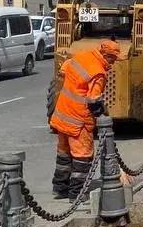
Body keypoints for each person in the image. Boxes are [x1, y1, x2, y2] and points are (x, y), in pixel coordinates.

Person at [49, 40, 121, 198]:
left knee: (64, 153)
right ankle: (76, 193)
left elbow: (63, 70)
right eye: (113, 59)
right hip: (78, 121)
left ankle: (60, 188)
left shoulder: (81, 57)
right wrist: (102, 115)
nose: (114, 63)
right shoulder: (98, 73)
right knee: (83, 157)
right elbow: (93, 99)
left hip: (62, 114)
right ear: (107, 56)